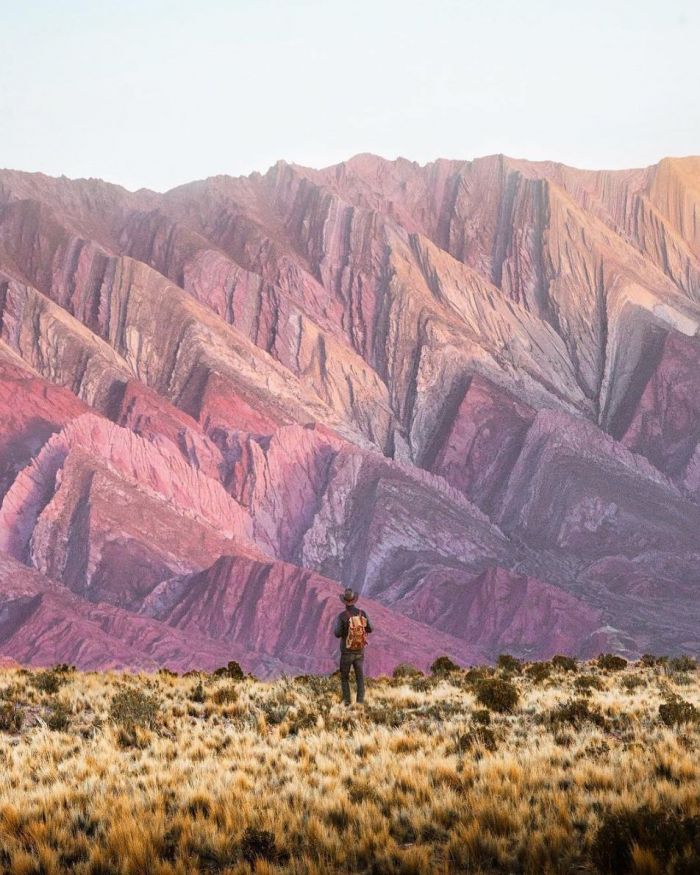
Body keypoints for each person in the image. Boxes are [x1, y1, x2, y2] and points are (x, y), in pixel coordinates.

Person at [333, 587, 373, 706]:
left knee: (345, 677)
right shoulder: (362, 613)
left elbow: (337, 633)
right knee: (359, 677)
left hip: (346, 652)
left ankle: (347, 702)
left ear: (344, 602)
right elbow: (370, 629)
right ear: (354, 600)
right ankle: (360, 702)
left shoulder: (342, 616)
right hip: (360, 651)